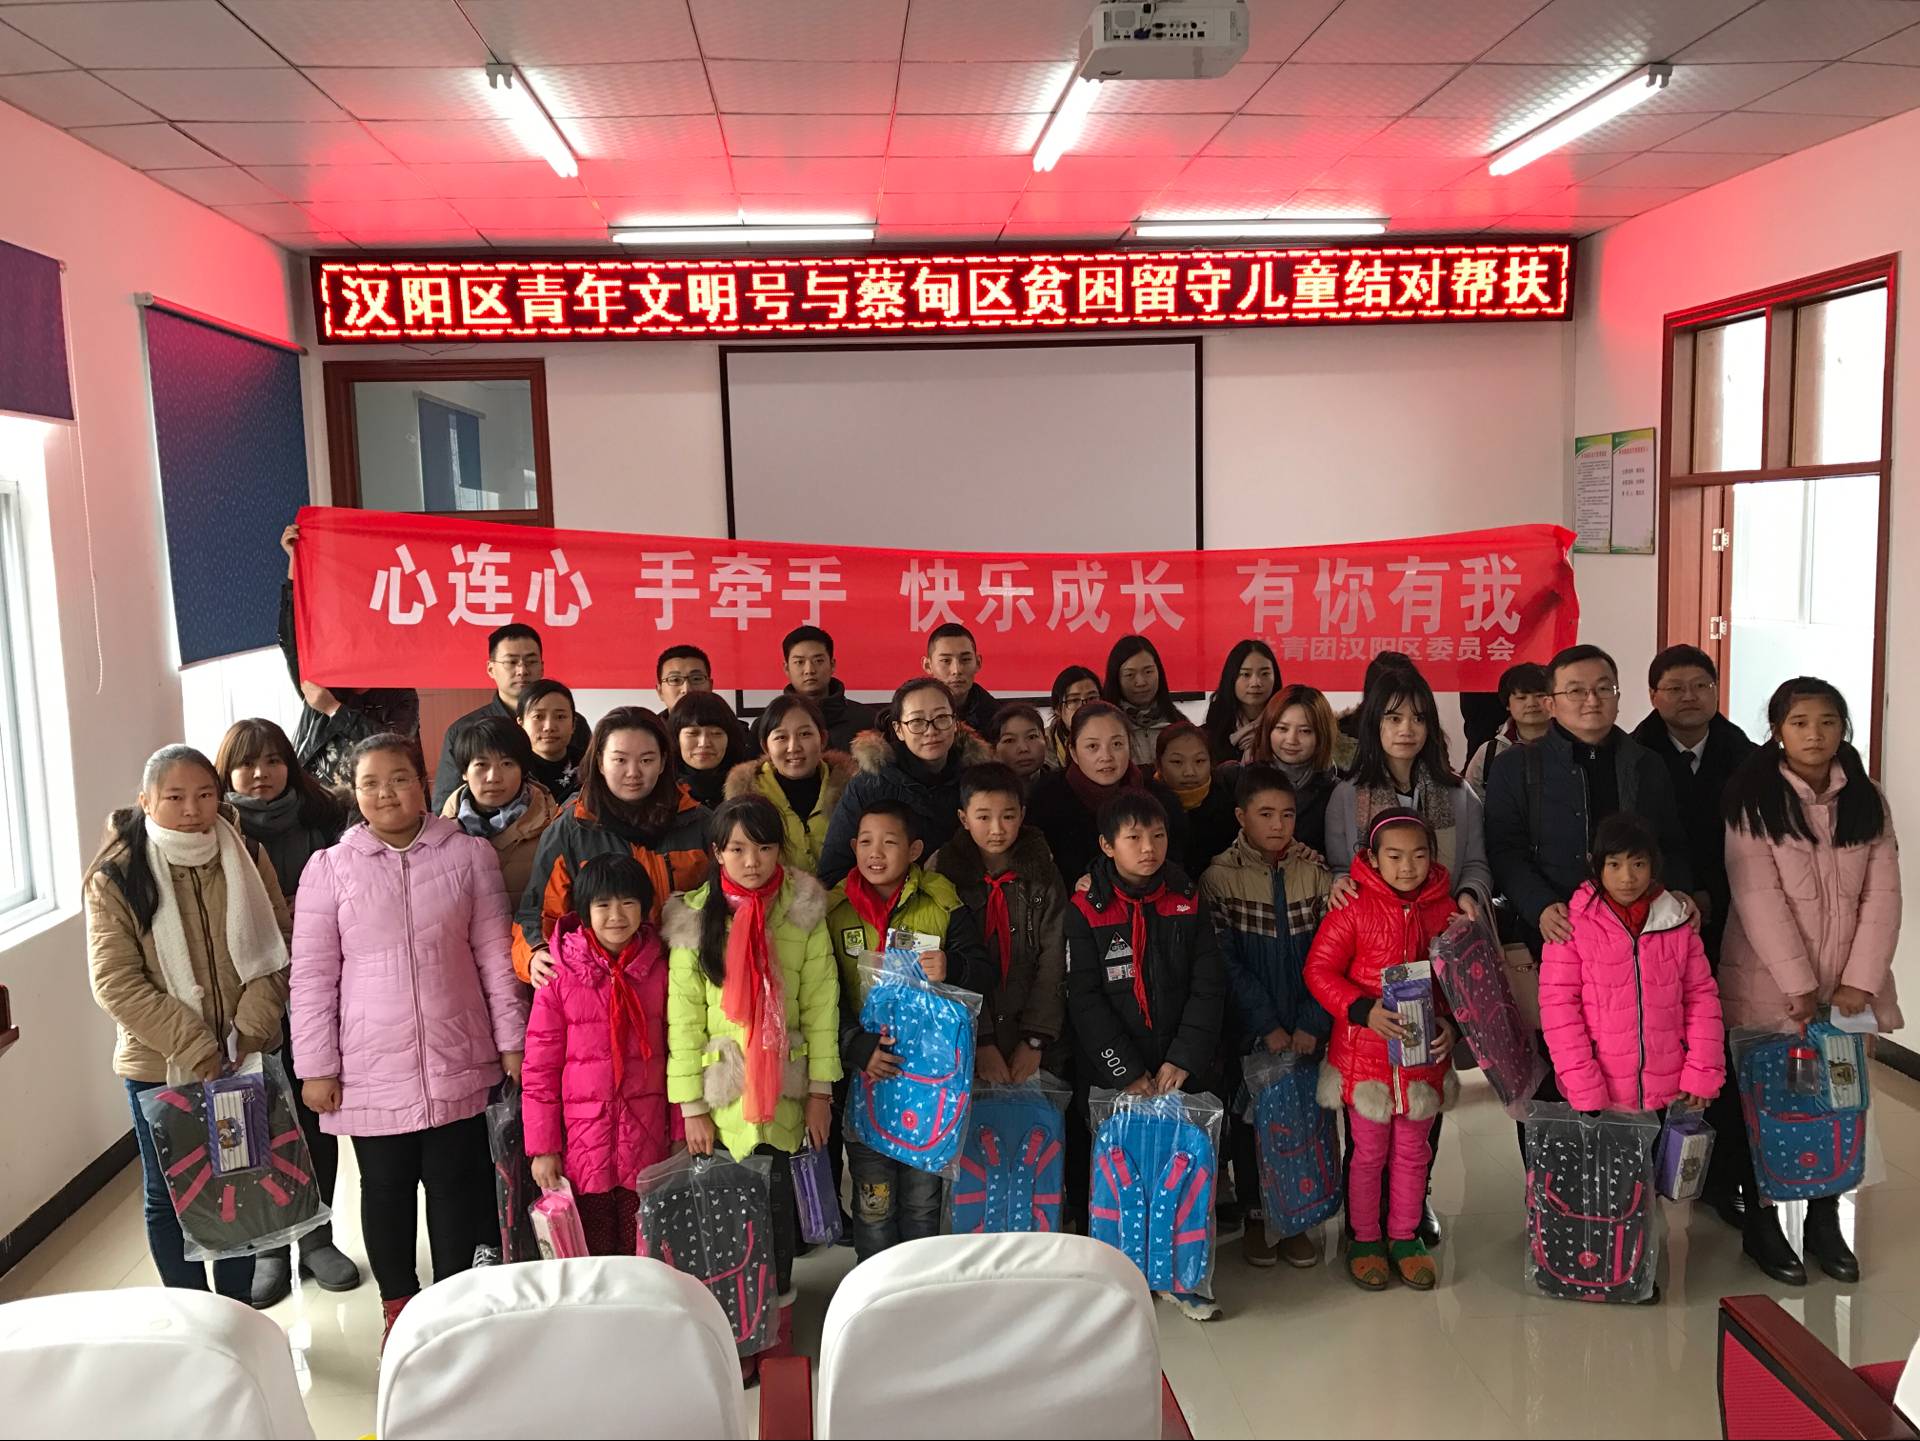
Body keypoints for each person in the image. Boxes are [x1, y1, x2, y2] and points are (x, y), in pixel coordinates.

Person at [290, 734, 526, 1344]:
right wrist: (316, 1066)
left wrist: (512, 1039)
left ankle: (452, 1306)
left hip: (458, 1053)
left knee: (455, 1185)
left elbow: (494, 956)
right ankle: (398, 1307)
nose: (385, 793)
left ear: (422, 784)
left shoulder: (469, 855)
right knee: (385, 1189)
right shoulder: (329, 868)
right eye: (369, 783)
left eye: (398, 779)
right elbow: (313, 975)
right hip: (368, 1064)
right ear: (354, 792)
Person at [86, 745, 292, 1305]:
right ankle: (190, 1314)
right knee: (169, 1193)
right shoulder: (117, 875)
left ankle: (234, 1309)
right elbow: (116, 983)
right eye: (174, 797)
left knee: (237, 1181)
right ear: (145, 801)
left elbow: (277, 946)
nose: (192, 809)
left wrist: (249, 1031)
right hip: (162, 1064)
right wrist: (199, 1048)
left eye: (204, 795)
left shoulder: (245, 852)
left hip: (243, 1054)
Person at [1719, 677, 1900, 1286]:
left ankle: (1825, 1221)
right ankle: (1762, 1226)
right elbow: (1757, 897)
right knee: (1766, 1106)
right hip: (1768, 986)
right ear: (1777, 730)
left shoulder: (1867, 799)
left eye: (1827, 721)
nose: (1814, 734)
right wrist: (1798, 983)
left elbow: (1884, 895)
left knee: (1840, 1103)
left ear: (1843, 727)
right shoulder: (1753, 799)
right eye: (1799, 722)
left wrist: (1861, 981)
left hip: (1848, 994)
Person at [666, 797, 840, 1357]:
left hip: (784, 1092)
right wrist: (691, 1106)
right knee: (727, 1226)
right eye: (738, 849)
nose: (752, 861)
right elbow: (683, 1020)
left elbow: (822, 1006)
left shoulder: (802, 911)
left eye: (764, 848)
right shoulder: (696, 917)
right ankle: (737, 1335)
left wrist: (820, 1092)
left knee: (778, 1220)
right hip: (722, 1098)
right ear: (717, 852)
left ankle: (777, 1334)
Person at [1063, 789, 1226, 1321]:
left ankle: (1183, 1275)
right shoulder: (1085, 908)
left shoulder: (1188, 898)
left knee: (1181, 1172)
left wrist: (1185, 1058)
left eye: (1157, 836)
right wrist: (1126, 1070)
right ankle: (1118, 1277)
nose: (1149, 848)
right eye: (1133, 837)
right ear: (1107, 846)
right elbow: (1083, 997)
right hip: (1116, 1070)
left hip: (1180, 1065)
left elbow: (1208, 984)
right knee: (1120, 1176)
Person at [215, 719, 359, 1304]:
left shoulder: (325, 817)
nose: (261, 773)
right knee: (252, 1121)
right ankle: (269, 1245)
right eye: (247, 763)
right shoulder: (215, 829)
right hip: (246, 998)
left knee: (311, 1114)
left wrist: (314, 910)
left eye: (273, 760)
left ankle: (318, 1235)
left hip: (316, 989)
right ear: (226, 772)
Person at [1304, 810, 1460, 1294]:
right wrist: (1361, 1009)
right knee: (1368, 1154)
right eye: (1394, 856)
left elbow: (1460, 982)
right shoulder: (1352, 907)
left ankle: (1404, 1237)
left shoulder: (1444, 909)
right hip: (1364, 1059)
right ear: (1372, 858)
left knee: (1414, 1153)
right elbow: (1319, 971)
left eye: (1418, 855)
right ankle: (1365, 1239)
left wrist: (1451, 1024)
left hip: (1421, 1060)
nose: (1407, 867)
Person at [829, 798, 992, 1260]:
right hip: (865, 1079)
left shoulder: (942, 902)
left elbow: (983, 971)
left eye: (889, 842)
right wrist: (854, 1045)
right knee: (873, 1206)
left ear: (915, 849)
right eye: (866, 841)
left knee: (923, 1203)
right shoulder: (834, 910)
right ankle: (874, 1287)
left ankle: (918, 1288)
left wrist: (954, 965)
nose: (876, 852)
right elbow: (820, 995)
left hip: (930, 1086)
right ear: (853, 847)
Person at [1200, 766, 1332, 1271]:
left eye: (1287, 815)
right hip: (1250, 1030)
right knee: (1250, 1124)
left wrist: (1312, 1021)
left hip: (1305, 1025)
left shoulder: (1315, 873)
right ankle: (1257, 1215)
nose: (1278, 825)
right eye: (1265, 814)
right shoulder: (1218, 878)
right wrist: (1265, 1024)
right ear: (1241, 816)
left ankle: (1295, 1218)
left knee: (1303, 1119)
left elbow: (1331, 954)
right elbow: (1225, 963)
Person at [1485, 645, 1696, 959]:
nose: (1593, 700)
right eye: (1576, 691)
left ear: (1618, 697)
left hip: (1639, 936)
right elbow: (1505, 851)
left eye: (1604, 689)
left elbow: (1670, 843)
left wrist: (1679, 891)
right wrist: (1539, 905)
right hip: (1555, 932)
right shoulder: (1515, 767)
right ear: (1550, 704)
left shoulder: (1647, 764)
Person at [524, 854, 676, 1257]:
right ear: (584, 910)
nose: (616, 915)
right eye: (603, 904)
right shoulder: (559, 976)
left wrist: (679, 1133)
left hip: (647, 1142)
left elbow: (679, 1056)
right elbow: (540, 1070)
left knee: (644, 1253)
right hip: (583, 1147)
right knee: (593, 1257)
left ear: (645, 907)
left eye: (628, 902)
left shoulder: (662, 969)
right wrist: (543, 1149)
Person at [1539, 813, 1724, 1116]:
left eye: (1638, 864)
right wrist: (1583, 1084)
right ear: (1597, 866)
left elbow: (1701, 998)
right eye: (1614, 865)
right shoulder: (1571, 925)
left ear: (1653, 865)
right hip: (1601, 1093)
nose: (1627, 878)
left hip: (1672, 1089)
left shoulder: (1675, 921)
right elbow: (1559, 1009)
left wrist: (1703, 1070)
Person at [515, 707, 710, 987]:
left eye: (646, 760)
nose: (633, 772)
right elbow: (536, 911)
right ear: (600, 762)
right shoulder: (571, 829)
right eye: (619, 759)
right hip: (602, 984)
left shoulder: (699, 823)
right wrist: (535, 952)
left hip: (688, 981)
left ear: (663, 762)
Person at [928, 763, 1069, 1084]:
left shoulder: (1043, 873)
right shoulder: (942, 874)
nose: (997, 829)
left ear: (1022, 814)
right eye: (983, 817)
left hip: (1036, 1042)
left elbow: (1054, 956)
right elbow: (946, 963)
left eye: (1007, 816)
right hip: (964, 1040)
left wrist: (1035, 1038)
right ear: (963, 818)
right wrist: (982, 1039)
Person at [1326, 665, 1493, 915]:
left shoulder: (1460, 794)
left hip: (1445, 924)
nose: (1407, 730)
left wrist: (1468, 894)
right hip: (1374, 929)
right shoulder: (1346, 795)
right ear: (1375, 723)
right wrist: (1339, 882)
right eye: (1394, 718)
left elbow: (1476, 864)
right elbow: (1340, 868)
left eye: (1418, 719)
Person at [1629, 644, 1755, 959]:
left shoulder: (1750, 759)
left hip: (1741, 903)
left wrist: (1715, 891)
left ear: (1716, 690)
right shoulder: (1630, 759)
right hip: (1653, 905)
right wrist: (1677, 887)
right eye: (1675, 688)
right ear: (1653, 695)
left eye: (1701, 686)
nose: (1689, 696)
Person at [277, 523, 418, 790]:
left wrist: (334, 709)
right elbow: (292, 637)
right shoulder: (322, 678)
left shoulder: (401, 692)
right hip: (316, 797)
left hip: (380, 797)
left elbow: (394, 746)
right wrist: (296, 560)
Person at [817, 677, 990, 888]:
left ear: (955, 723)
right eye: (917, 721)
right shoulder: (869, 785)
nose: (931, 730)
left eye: (941, 717)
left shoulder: (978, 780)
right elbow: (833, 872)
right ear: (898, 729)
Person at [1026, 701, 1188, 892]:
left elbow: (1177, 867)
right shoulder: (1046, 801)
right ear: (1074, 752)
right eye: (1092, 746)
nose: (1106, 756)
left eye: (1117, 744)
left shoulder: (1159, 799)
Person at [431, 622, 589, 810]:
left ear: (542, 667)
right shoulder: (464, 730)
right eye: (511, 662)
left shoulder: (573, 723)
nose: (522, 671)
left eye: (531, 662)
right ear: (491, 669)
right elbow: (445, 807)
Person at [725, 694, 853, 875]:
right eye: (781, 737)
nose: (793, 747)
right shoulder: (747, 797)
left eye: (805, 734)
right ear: (766, 746)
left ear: (823, 739)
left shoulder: (852, 789)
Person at [438, 715, 559, 904]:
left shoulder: (553, 828)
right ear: (464, 772)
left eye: (507, 764)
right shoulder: (441, 833)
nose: (494, 777)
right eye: (481, 765)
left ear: (523, 770)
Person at [1249, 685, 1340, 858]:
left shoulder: (1337, 792)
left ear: (1322, 735)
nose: (1292, 740)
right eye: (1282, 728)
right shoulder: (1242, 781)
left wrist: (1320, 861)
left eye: (1305, 731)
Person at [770, 624, 876, 751]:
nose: (809, 670)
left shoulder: (867, 721)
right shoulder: (769, 725)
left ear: (832, 665)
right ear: (786, 668)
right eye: (799, 662)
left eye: (818, 661)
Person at [1156, 720, 1238, 877]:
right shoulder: (1147, 805)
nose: (1189, 772)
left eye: (1199, 761)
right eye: (1177, 762)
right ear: (1159, 764)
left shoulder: (1230, 803)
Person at [1463, 662, 1551, 798]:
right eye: (1521, 697)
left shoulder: (1573, 746)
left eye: (1540, 695)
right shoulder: (1488, 753)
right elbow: (1473, 804)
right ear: (1507, 704)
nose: (1531, 703)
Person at [1103, 634, 1183, 767]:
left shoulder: (1178, 724)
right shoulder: (1105, 726)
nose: (1141, 682)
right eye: (1130, 675)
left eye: (1148, 672)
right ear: (1116, 679)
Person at [668, 690, 754, 810]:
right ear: (676, 738)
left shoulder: (754, 787)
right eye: (693, 733)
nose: (704, 743)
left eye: (716, 733)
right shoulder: (660, 788)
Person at [1201, 640, 1278, 764]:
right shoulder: (1211, 731)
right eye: (1246, 674)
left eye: (1265, 674)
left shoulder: (1286, 727)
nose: (1255, 683)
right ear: (1231, 677)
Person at [517, 679, 585, 805]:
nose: (549, 727)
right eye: (538, 717)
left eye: (560, 717)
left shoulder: (590, 767)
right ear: (520, 724)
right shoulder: (512, 769)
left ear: (573, 724)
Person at [924, 623, 998, 734]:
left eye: (965, 659)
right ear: (928, 666)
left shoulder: (999, 719)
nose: (956, 670)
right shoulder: (909, 718)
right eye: (945, 661)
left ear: (978, 663)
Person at [1045, 665, 1102, 770]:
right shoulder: (1044, 746)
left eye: (1092, 698)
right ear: (1058, 709)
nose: (1084, 706)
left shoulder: (1119, 735)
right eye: (1074, 700)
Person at [990, 701, 1052, 781]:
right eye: (1010, 740)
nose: (1023, 749)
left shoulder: (1063, 784)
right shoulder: (981, 787)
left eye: (1031, 737)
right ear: (993, 750)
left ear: (1046, 742)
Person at [656, 645, 714, 713]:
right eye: (675, 680)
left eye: (696, 679)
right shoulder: (647, 720)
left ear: (710, 686)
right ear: (660, 691)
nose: (687, 690)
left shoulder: (725, 720)